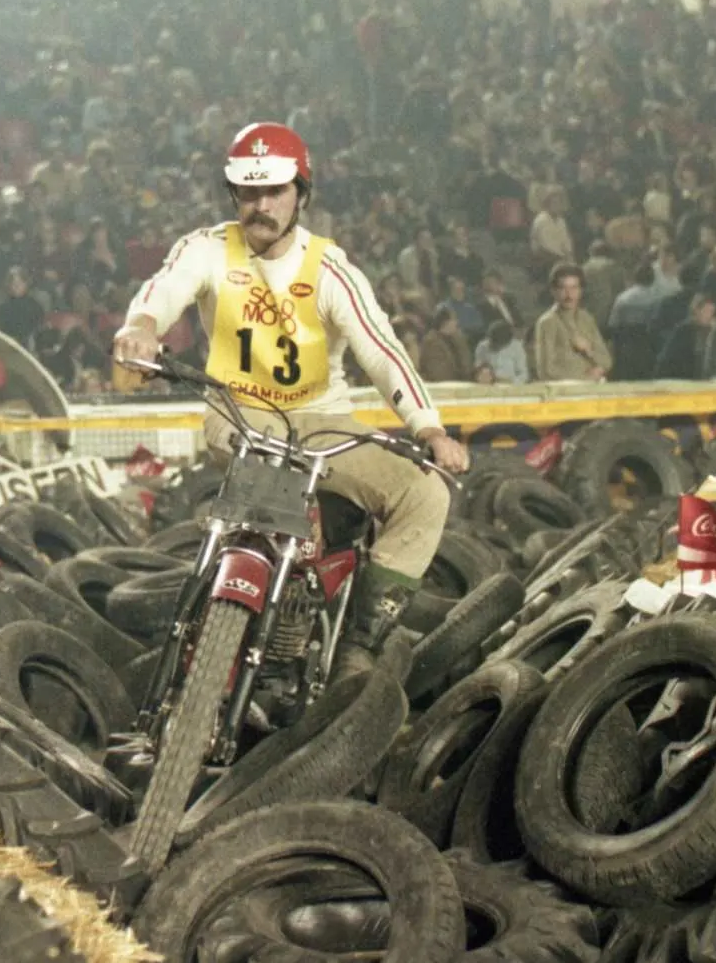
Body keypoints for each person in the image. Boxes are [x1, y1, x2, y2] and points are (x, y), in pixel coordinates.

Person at [113, 121, 467, 675]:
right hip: (240, 412)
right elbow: (163, 289)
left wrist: (430, 429)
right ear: (234, 194)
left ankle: (359, 644)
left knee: (425, 494)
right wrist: (141, 326)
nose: (261, 205)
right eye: (249, 192)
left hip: (324, 420)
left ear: (301, 193)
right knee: (272, 458)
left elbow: (382, 351)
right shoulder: (207, 249)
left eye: (275, 190)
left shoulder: (330, 269)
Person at [532, 263, 612, 384]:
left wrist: (589, 351)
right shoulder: (547, 322)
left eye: (574, 288)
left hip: (593, 387)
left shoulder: (586, 318)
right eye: (563, 288)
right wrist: (585, 378)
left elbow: (607, 361)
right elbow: (546, 371)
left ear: (581, 291)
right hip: (564, 390)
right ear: (553, 291)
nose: (569, 294)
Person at [654, 292, 716, 379]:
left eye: (712, 312)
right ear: (696, 311)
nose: (710, 316)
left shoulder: (715, 331)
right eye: (706, 311)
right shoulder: (684, 331)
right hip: (682, 377)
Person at [419, 303, 473, 382]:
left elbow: (467, 362)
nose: (457, 322)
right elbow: (438, 372)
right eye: (454, 319)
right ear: (445, 322)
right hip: (443, 385)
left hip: (464, 383)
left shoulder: (458, 339)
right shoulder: (431, 342)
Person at [474, 319, 529, 385]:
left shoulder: (517, 347)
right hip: (489, 386)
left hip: (511, 386)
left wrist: (512, 382)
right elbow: (478, 369)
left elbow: (523, 374)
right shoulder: (482, 347)